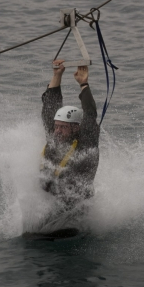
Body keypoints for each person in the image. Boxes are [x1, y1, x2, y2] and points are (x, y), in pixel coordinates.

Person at [40, 59, 100, 220]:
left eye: (63, 127)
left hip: (77, 204)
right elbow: (49, 105)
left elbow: (90, 113)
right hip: (51, 198)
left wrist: (84, 85)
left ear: (76, 127)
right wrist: (57, 75)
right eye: (56, 126)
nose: (57, 131)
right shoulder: (54, 134)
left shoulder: (87, 142)